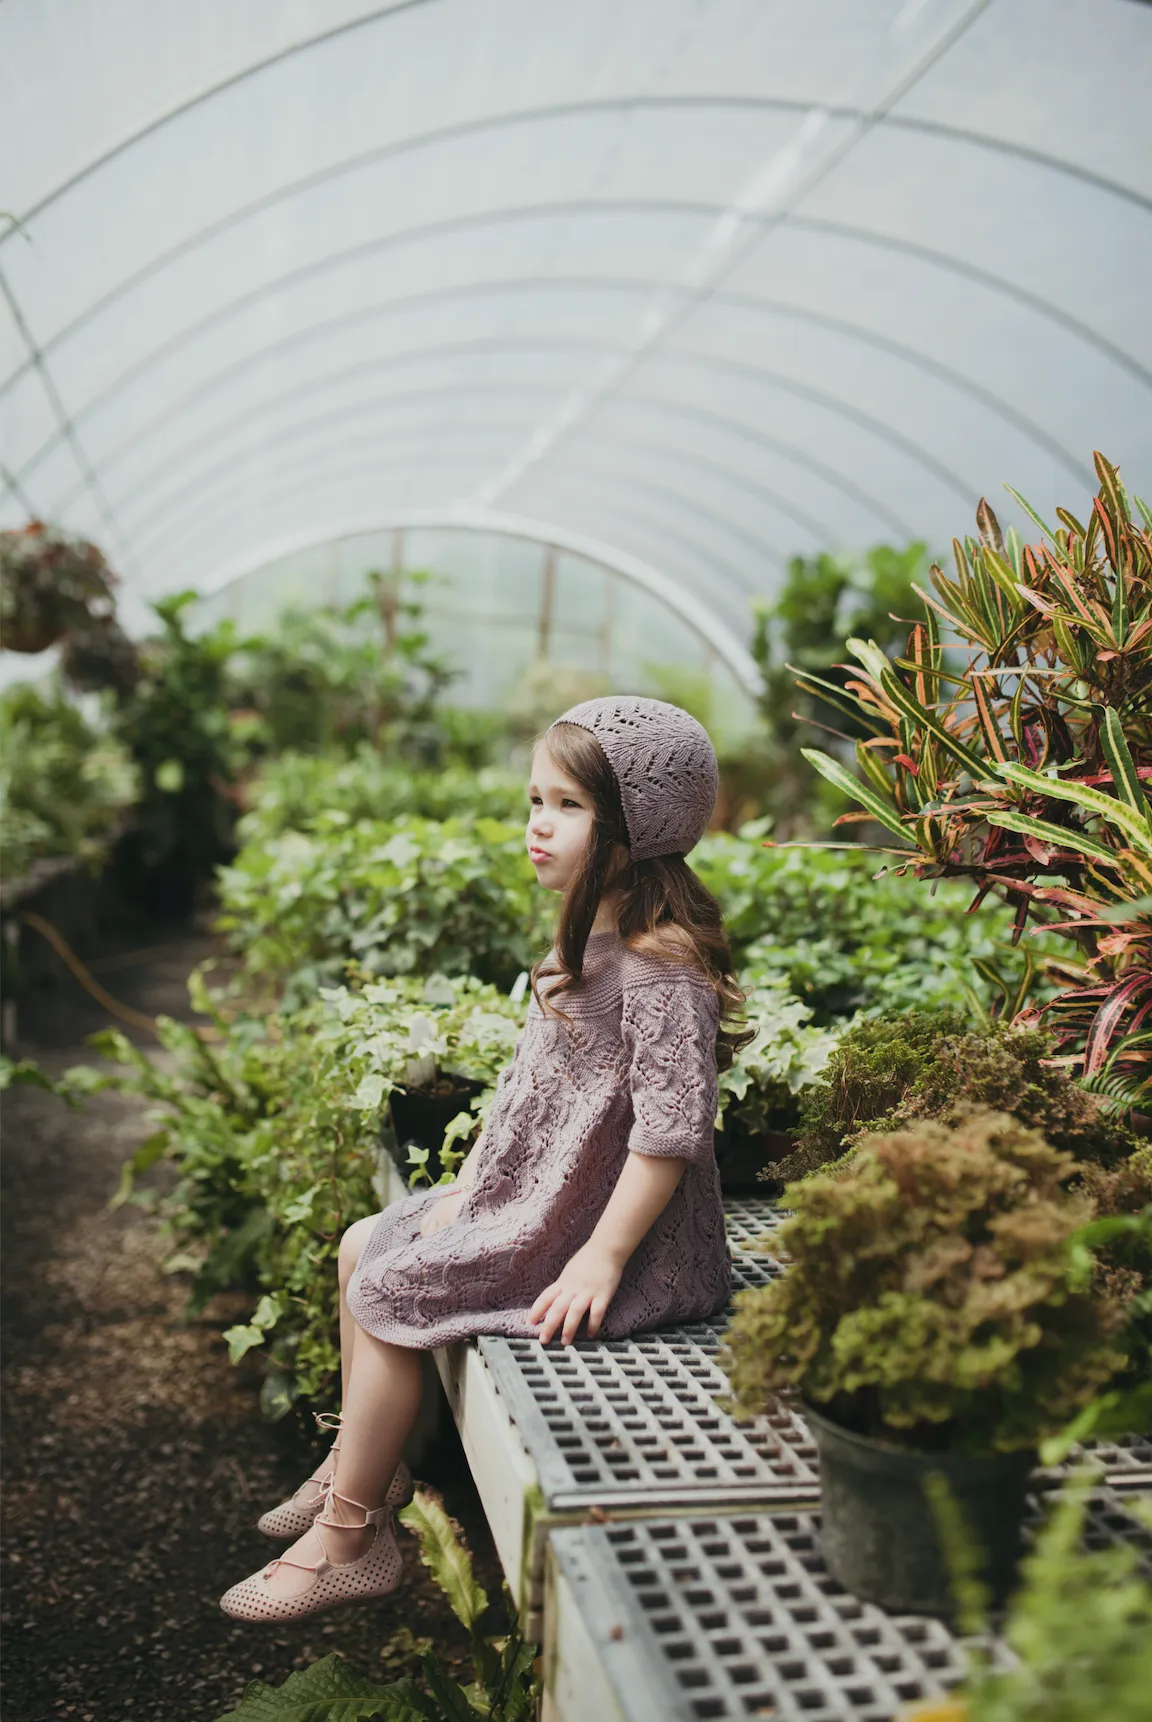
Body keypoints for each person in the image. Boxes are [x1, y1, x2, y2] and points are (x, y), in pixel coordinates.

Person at [220, 695, 750, 1622]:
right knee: (361, 1245)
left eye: (568, 806)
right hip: (547, 1202)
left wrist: (604, 1256)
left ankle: (351, 1538)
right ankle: (365, 1474)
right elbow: (535, 1089)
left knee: (390, 1292)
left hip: (630, 1245)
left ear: (638, 826)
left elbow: (670, 1133)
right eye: (535, 801)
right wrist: (475, 1183)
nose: (538, 825)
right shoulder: (590, 934)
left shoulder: (661, 967)